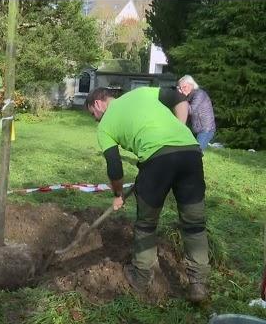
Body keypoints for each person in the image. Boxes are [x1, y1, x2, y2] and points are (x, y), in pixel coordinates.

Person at [85, 86, 210, 304]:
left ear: (98, 104)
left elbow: (115, 167)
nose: (95, 119)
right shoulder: (142, 92)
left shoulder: (104, 127)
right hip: (190, 152)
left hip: (156, 162)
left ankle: (141, 276)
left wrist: (117, 194)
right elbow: (179, 98)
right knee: (194, 223)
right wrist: (178, 130)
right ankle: (198, 283)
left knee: (146, 223)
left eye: (92, 114)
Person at [177, 75, 216, 151]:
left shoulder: (199, 94)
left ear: (191, 85)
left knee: (197, 153)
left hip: (205, 130)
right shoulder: (189, 95)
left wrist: (181, 98)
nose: (182, 89)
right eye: (180, 87)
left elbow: (190, 110)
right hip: (196, 129)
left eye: (184, 87)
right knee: (189, 152)